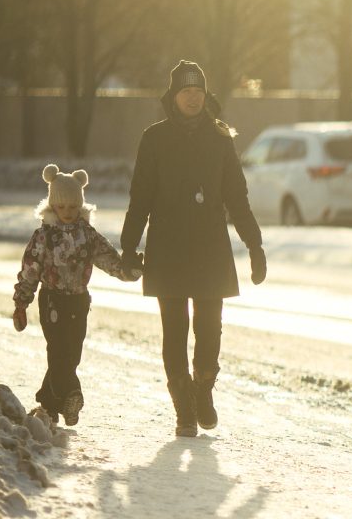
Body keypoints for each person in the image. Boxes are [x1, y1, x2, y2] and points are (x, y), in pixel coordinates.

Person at [121, 60, 266, 438]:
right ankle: (183, 407)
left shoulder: (220, 138)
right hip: (167, 246)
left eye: (198, 91)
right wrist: (127, 245)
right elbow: (140, 196)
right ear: (173, 97)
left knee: (209, 329)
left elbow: (237, 196)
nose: (193, 97)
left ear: (206, 95)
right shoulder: (154, 138)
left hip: (209, 247)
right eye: (186, 91)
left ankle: (203, 388)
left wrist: (255, 244)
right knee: (174, 329)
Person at [12, 164, 141, 426]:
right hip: (52, 301)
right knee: (58, 351)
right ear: (52, 206)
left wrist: (130, 271)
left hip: (79, 301)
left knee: (72, 354)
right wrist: (21, 303)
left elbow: (109, 260)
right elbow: (30, 271)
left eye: (73, 207)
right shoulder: (44, 236)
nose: (68, 213)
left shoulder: (88, 235)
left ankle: (48, 403)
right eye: (62, 207)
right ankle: (72, 396)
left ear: (80, 205)